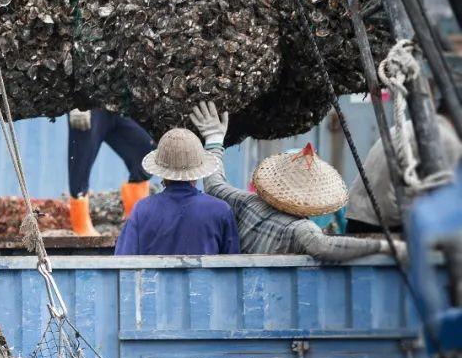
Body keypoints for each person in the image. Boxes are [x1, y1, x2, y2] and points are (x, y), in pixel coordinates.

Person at [190, 101, 395, 260]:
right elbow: (327, 247)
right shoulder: (301, 230)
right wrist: (383, 246)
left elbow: (214, 184)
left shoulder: (248, 203)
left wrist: (214, 139)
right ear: (316, 197)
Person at [113, 127, 241, 256]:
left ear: (162, 172)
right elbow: (233, 267)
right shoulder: (221, 211)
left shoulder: (142, 209)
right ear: (197, 172)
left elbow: (123, 261)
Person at [346, 113, 462, 235]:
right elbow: (448, 196)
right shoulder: (447, 140)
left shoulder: (419, 126)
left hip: (358, 214)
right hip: (382, 222)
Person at [68, 107, 155, 234]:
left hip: (114, 101)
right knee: (81, 166)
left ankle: (137, 221)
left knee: (144, 151)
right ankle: (82, 228)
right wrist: (75, 105)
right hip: (88, 104)